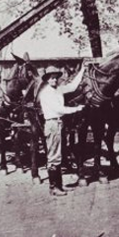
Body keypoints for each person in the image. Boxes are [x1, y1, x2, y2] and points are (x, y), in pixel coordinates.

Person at [37, 66, 85, 196]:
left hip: (58, 123)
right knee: (53, 156)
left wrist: (83, 70)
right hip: (52, 123)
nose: (54, 80)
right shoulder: (46, 93)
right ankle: (53, 187)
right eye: (51, 78)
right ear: (47, 79)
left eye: (56, 78)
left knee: (57, 155)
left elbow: (72, 87)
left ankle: (58, 185)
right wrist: (76, 109)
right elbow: (59, 109)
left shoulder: (57, 90)